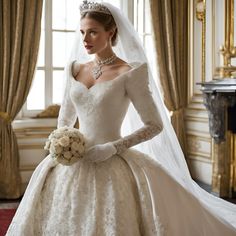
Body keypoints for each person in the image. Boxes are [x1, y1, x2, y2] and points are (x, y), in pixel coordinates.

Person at [6, 1, 236, 235]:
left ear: (111, 32)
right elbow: (65, 119)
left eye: (93, 32)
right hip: (72, 160)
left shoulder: (130, 72)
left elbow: (154, 125)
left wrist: (113, 148)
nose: (86, 38)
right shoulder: (74, 69)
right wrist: (63, 144)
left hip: (112, 158)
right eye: (83, 32)